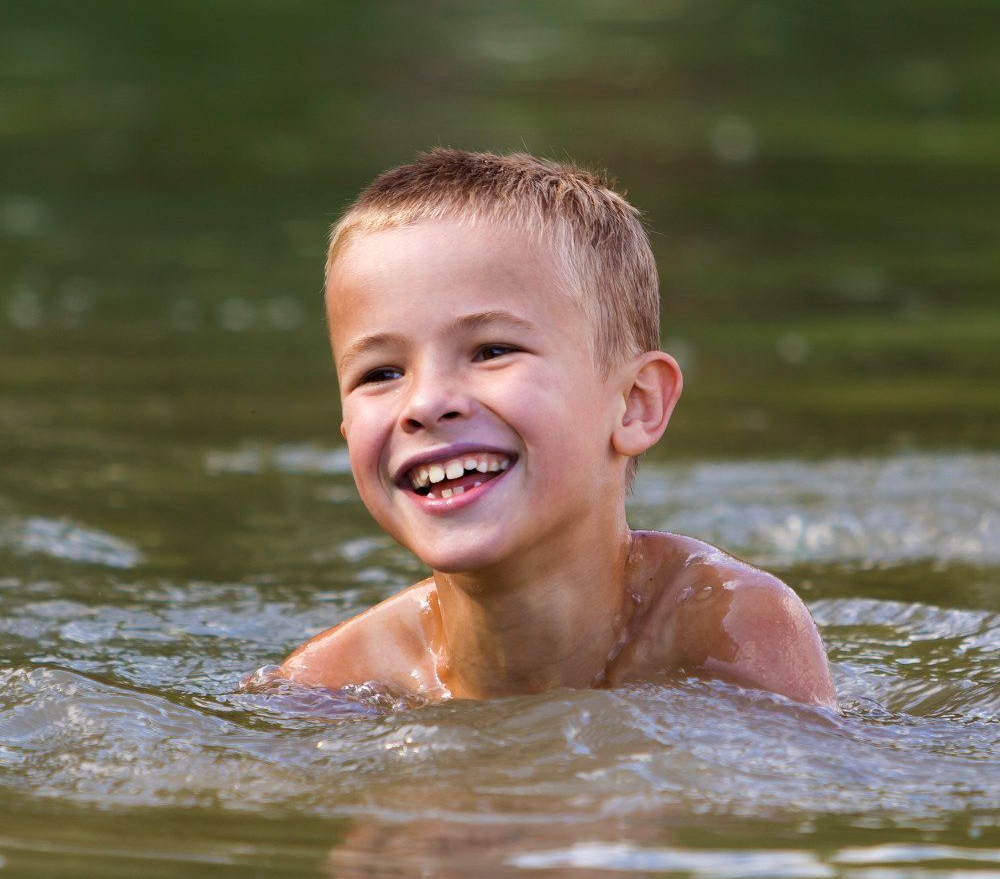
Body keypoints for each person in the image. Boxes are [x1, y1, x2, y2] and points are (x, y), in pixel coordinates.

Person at [271, 149, 836, 708]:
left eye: (491, 350)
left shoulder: (732, 630)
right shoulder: (328, 686)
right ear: (345, 427)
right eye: (381, 372)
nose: (425, 403)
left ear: (635, 405)